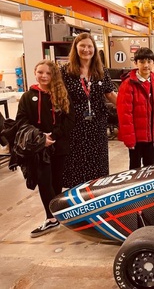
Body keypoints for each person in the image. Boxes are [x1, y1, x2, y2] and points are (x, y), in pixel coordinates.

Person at [16, 60, 75, 237]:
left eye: (48, 73)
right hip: (39, 148)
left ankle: (57, 215)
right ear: (35, 72)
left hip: (59, 145)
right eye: (40, 72)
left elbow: (69, 119)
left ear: (53, 76)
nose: (44, 76)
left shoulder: (62, 94)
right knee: (44, 181)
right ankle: (50, 218)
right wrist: (41, 138)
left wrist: (54, 136)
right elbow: (21, 120)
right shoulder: (28, 97)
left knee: (57, 181)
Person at [61, 32, 117, 188]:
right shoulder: (66, 72)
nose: (86, 50)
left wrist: (129, 109)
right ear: (76, 48)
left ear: (94, 49)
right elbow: (59, 97)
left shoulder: (101, 71)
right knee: (76, 164)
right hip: (75, 126)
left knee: (97, 164)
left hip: (97, 125)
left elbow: (110, 94)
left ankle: (96, 196)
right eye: (82, 46)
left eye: (89, 46)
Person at [117, 47, 154, 169]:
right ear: (135, 63)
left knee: (150, 168)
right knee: (135, 170)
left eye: (149, 62)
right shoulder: (128, 84)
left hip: (151, 137)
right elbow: (125, 114)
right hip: (136, 139)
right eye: (142, 62)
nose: (146, 65)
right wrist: (130, 140)